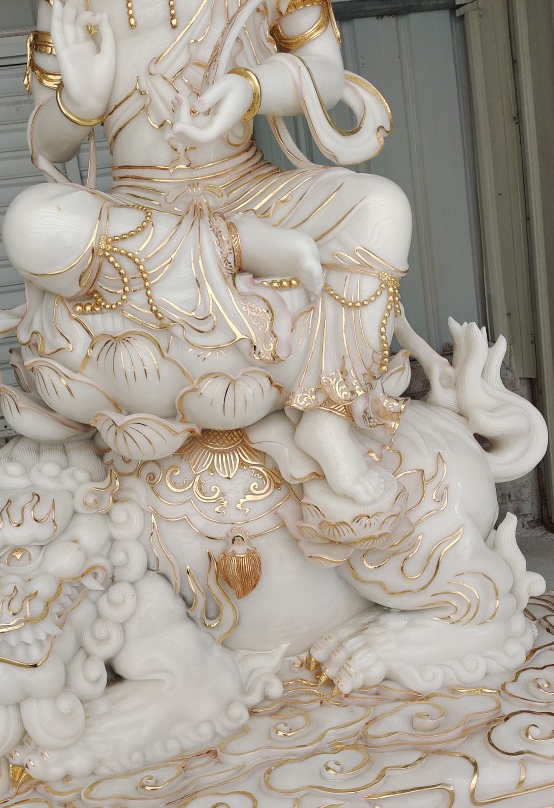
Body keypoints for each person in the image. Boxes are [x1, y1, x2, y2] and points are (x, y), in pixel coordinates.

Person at [20, 0, 413, 505]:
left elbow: (325, 74)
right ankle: (239, 245)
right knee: (30, 222)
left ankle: (328, 410)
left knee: (382, 207)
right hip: (141, 211)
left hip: (249, 190)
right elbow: (47, 145)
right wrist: (79, 104)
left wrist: (252, 87)